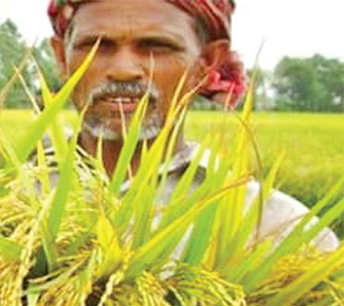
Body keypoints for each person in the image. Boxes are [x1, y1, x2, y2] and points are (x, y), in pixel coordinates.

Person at [44, 0, 338, 251]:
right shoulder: (7, 201)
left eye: (156, 47)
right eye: (96, 46)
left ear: (207, 63)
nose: (123, 70)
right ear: (61, 56)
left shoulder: (280, 232)